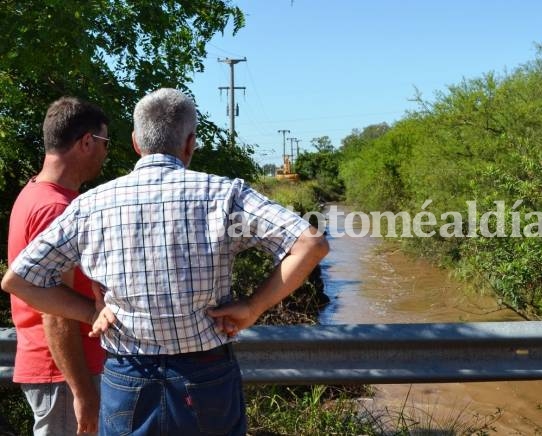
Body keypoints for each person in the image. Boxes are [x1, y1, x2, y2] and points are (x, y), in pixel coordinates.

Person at [2, 88, 329, 435]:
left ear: (135, 143)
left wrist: (90, 312)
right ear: (190, 144)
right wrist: (253, 306)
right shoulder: (224, 195)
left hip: (127, 377)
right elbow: (310, 244)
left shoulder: (91, 205)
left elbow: (19, 281)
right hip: (206, 376)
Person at [5, 97, 109, 435]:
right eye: (105, 143)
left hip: (56, 370)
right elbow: (54, 309)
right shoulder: (55, 208)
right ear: (87, 142)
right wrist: (83, 393)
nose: (106, 154)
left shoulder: (35, 193)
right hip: (64, 373)